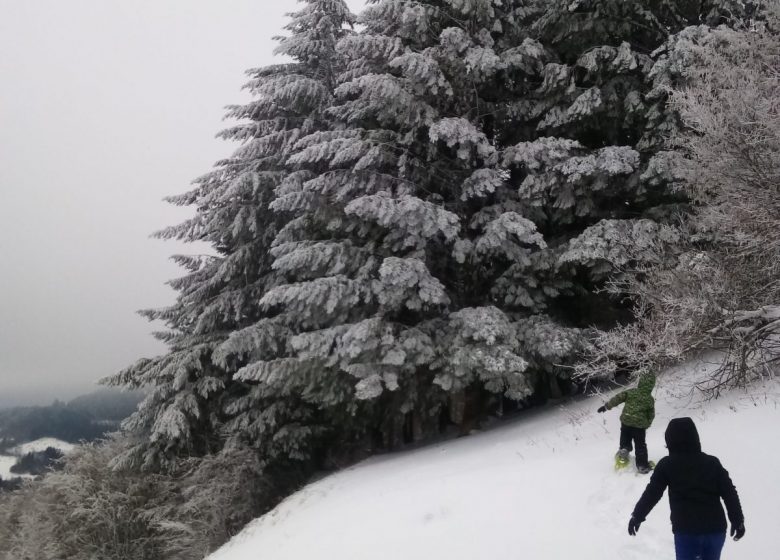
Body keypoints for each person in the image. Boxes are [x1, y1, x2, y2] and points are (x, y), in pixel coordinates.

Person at [628, 417, 745, 560]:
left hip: (687, 532)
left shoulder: (666, 465)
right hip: (716, 530)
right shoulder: (712, 463)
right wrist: (737, 519)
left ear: (670, 441)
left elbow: (652, 493)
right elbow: (729, 492)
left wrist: (638, 515)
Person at [597, 371, 655, 473]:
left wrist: (606, 406)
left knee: (625, 437)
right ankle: (642, 466)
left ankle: (624, 450)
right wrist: (647, 424)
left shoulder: (631, 392)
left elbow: (618, 398)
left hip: (626, 421)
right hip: (639, 426)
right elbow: (651, 414)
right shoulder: (649, 399)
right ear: (651, 385)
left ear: (640, 382)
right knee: (640, 445)